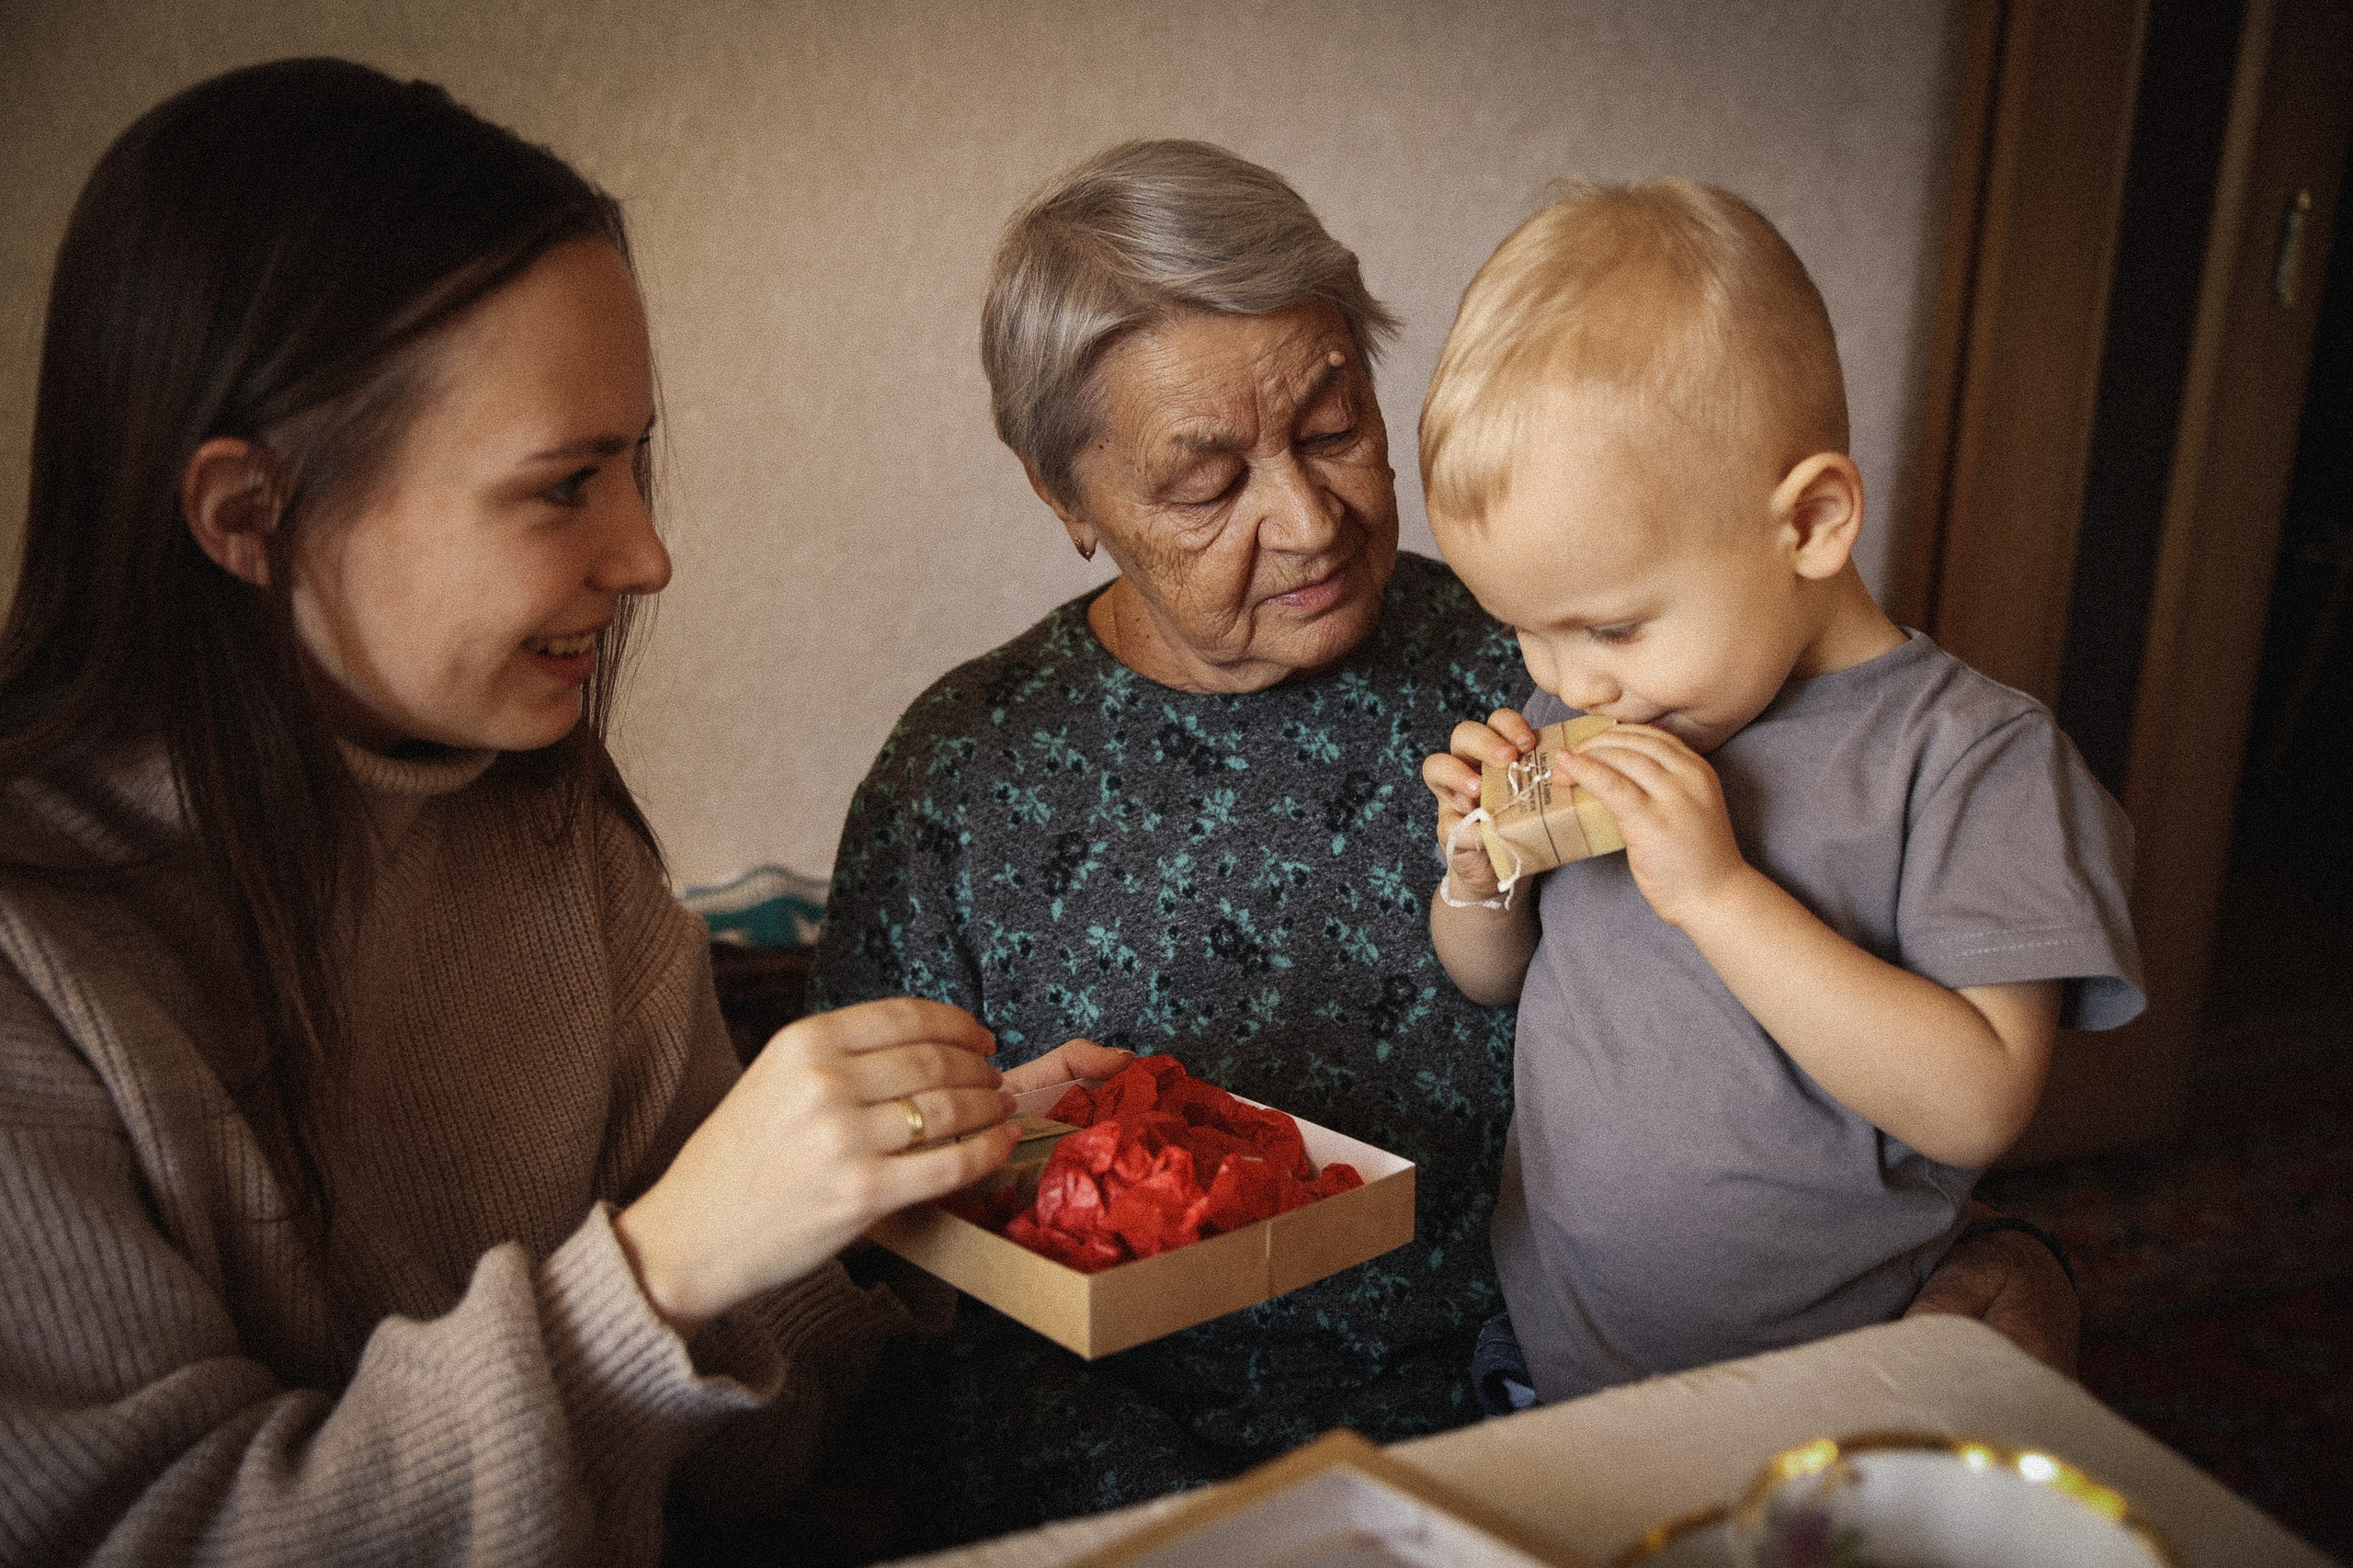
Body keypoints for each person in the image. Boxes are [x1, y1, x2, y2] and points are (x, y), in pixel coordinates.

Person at [809, 141, 2086, 1549]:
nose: (1305, 520)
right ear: (1068, 498)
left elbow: (1864, 1056)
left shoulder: (1586, 637)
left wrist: (2008, 1266)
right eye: (1206, 483)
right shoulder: (962, 786)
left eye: (1335, 422)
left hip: (1591, 1406)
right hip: (1167, 1463)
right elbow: (877, 1274)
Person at [0, 59, 1116, 1566]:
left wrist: (891, 1201)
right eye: (565, 483)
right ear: (249, 518)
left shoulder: (562, 850)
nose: (648, 554)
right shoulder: (36, 955)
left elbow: (746, 1464)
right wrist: (656, 1271)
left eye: (637, 461)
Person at [1416, 179, 2145, 1408]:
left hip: (1837, 1389)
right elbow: (1490, 976)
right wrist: (1477, 878)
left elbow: (1978, 1102)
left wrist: (1719, 894)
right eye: (1527, 634)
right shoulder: (1595, 709)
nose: (1565, 681)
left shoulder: (1971, 759)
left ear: (1810, 521)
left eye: (1610, 624)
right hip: (1555, 1361)